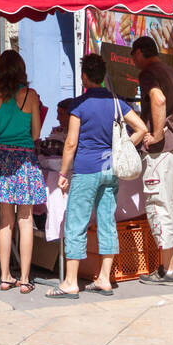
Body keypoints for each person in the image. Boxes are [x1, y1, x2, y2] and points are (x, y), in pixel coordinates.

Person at [47, 53, 147, 299]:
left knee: (76, 221)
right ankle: (104, 278)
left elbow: (70, 143)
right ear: (102, 76)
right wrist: (121, 149)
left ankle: (71, 281)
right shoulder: (116, 102)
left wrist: (62, 173)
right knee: (106, 220)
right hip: (109, 170)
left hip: (86, 169)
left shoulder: (79, 105)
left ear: (84, 76)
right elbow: (142, 128)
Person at [131, 35, 173, 286]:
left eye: (132, 56)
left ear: (139, 53)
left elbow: (158, 100)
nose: (132, 61)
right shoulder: (171, 71)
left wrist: (156, 134)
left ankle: (167, 269)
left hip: (162, 151)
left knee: (159, 205)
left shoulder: (149, 73)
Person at [0, 50, 46, 294]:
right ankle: (24, 278)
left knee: (5, 221)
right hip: (24, 161)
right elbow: (35, 134)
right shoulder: (30, 96)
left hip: (2, 159)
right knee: (25, 220)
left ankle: (4, 276)